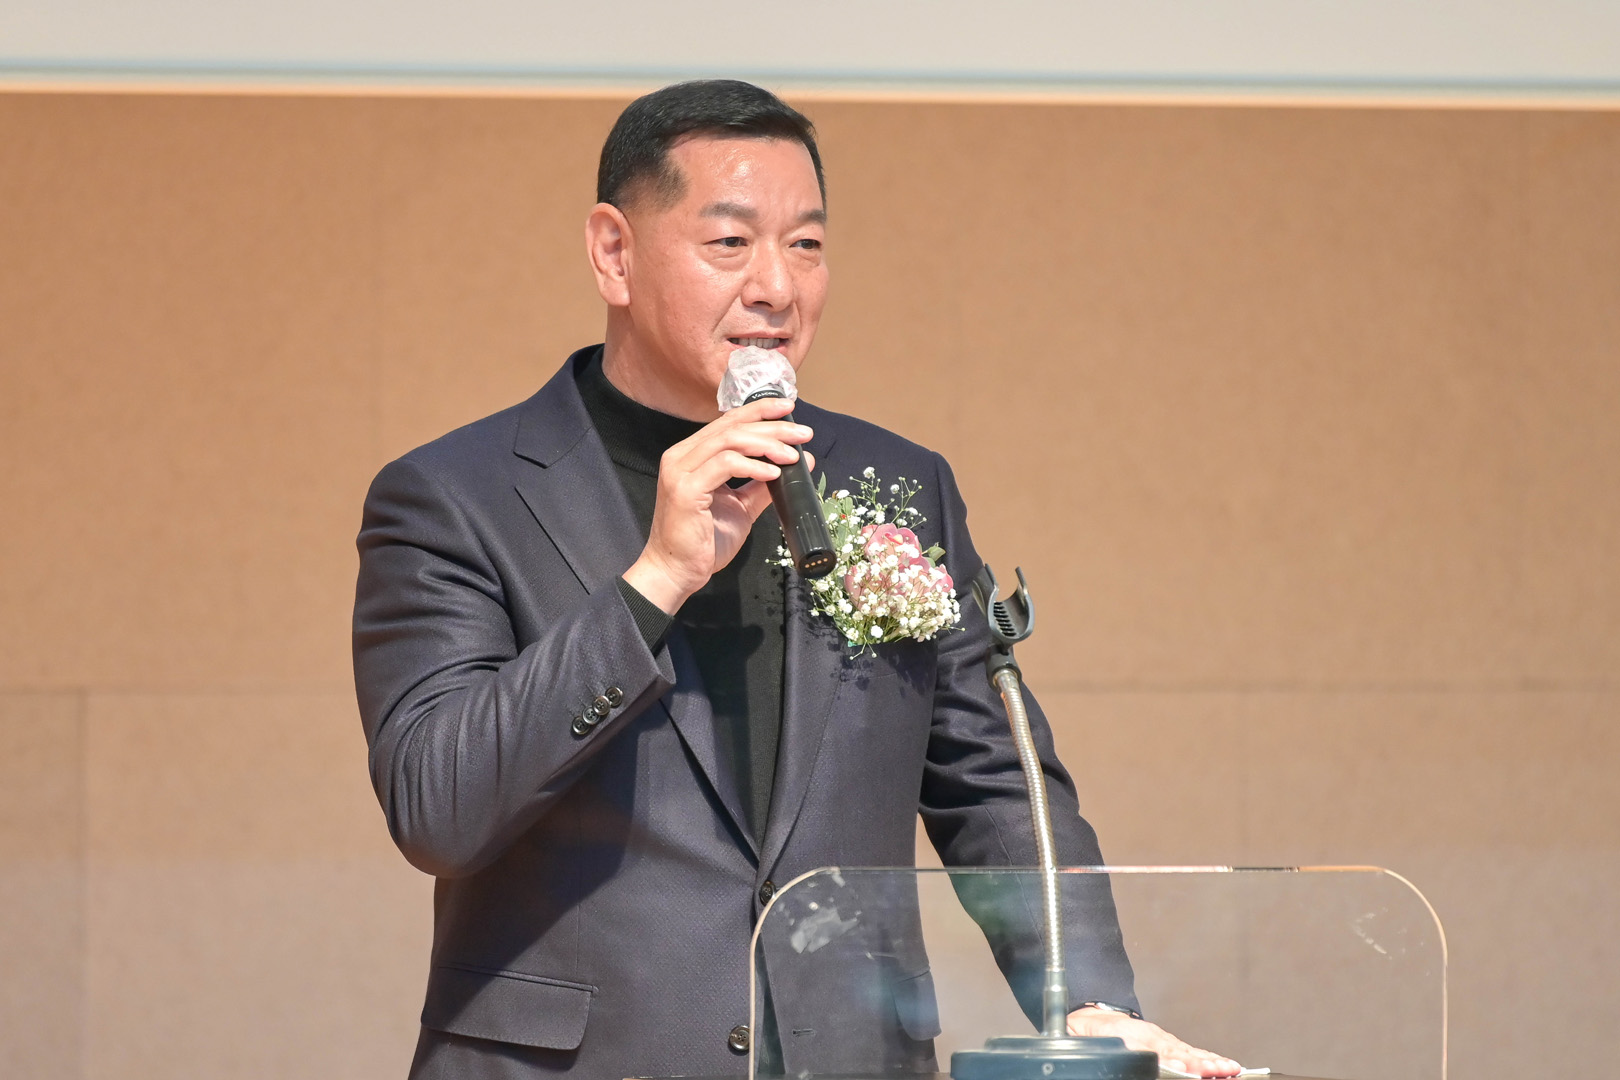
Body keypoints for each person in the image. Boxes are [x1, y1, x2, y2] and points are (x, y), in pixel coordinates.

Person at [353, 79, 1239, 1080]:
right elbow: (438, 807)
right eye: (731, 242)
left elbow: (996, 782)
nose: (777, 284)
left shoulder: (897, 484)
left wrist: (1090, 1004)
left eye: (807, 244)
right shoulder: (457, 497)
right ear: (613, 252)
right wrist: (655, 581)